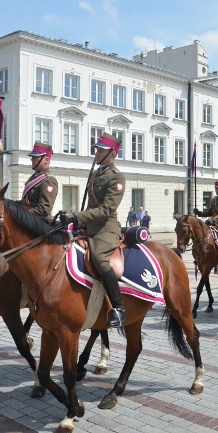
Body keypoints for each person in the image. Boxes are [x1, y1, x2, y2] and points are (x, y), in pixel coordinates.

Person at [60, 133, 126, 328]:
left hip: (106, 229)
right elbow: (91, 205)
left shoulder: (117, 177)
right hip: (89, 226)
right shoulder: (97, 174)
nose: (96, 153)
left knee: (98, 257)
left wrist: (77, 217)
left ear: (111, 153)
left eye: (100, 150)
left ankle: (118, 307)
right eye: (96, 149)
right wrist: (76, 220)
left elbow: (105, 210)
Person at [193, 180, 218, 274]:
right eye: (216, 188)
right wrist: (199, 213)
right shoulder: (214, 199)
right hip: (214, 222)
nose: (216, 190)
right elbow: (209, 212)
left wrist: (213, 219)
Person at [22, 142, 58, 222]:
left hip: (40, 224)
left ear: (46, 160)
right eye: (32, 157)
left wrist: (23, 214)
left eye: (35, 157)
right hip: (29, 220)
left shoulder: (48, 180)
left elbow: (44, 209)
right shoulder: (33, 177)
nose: (32, 159)